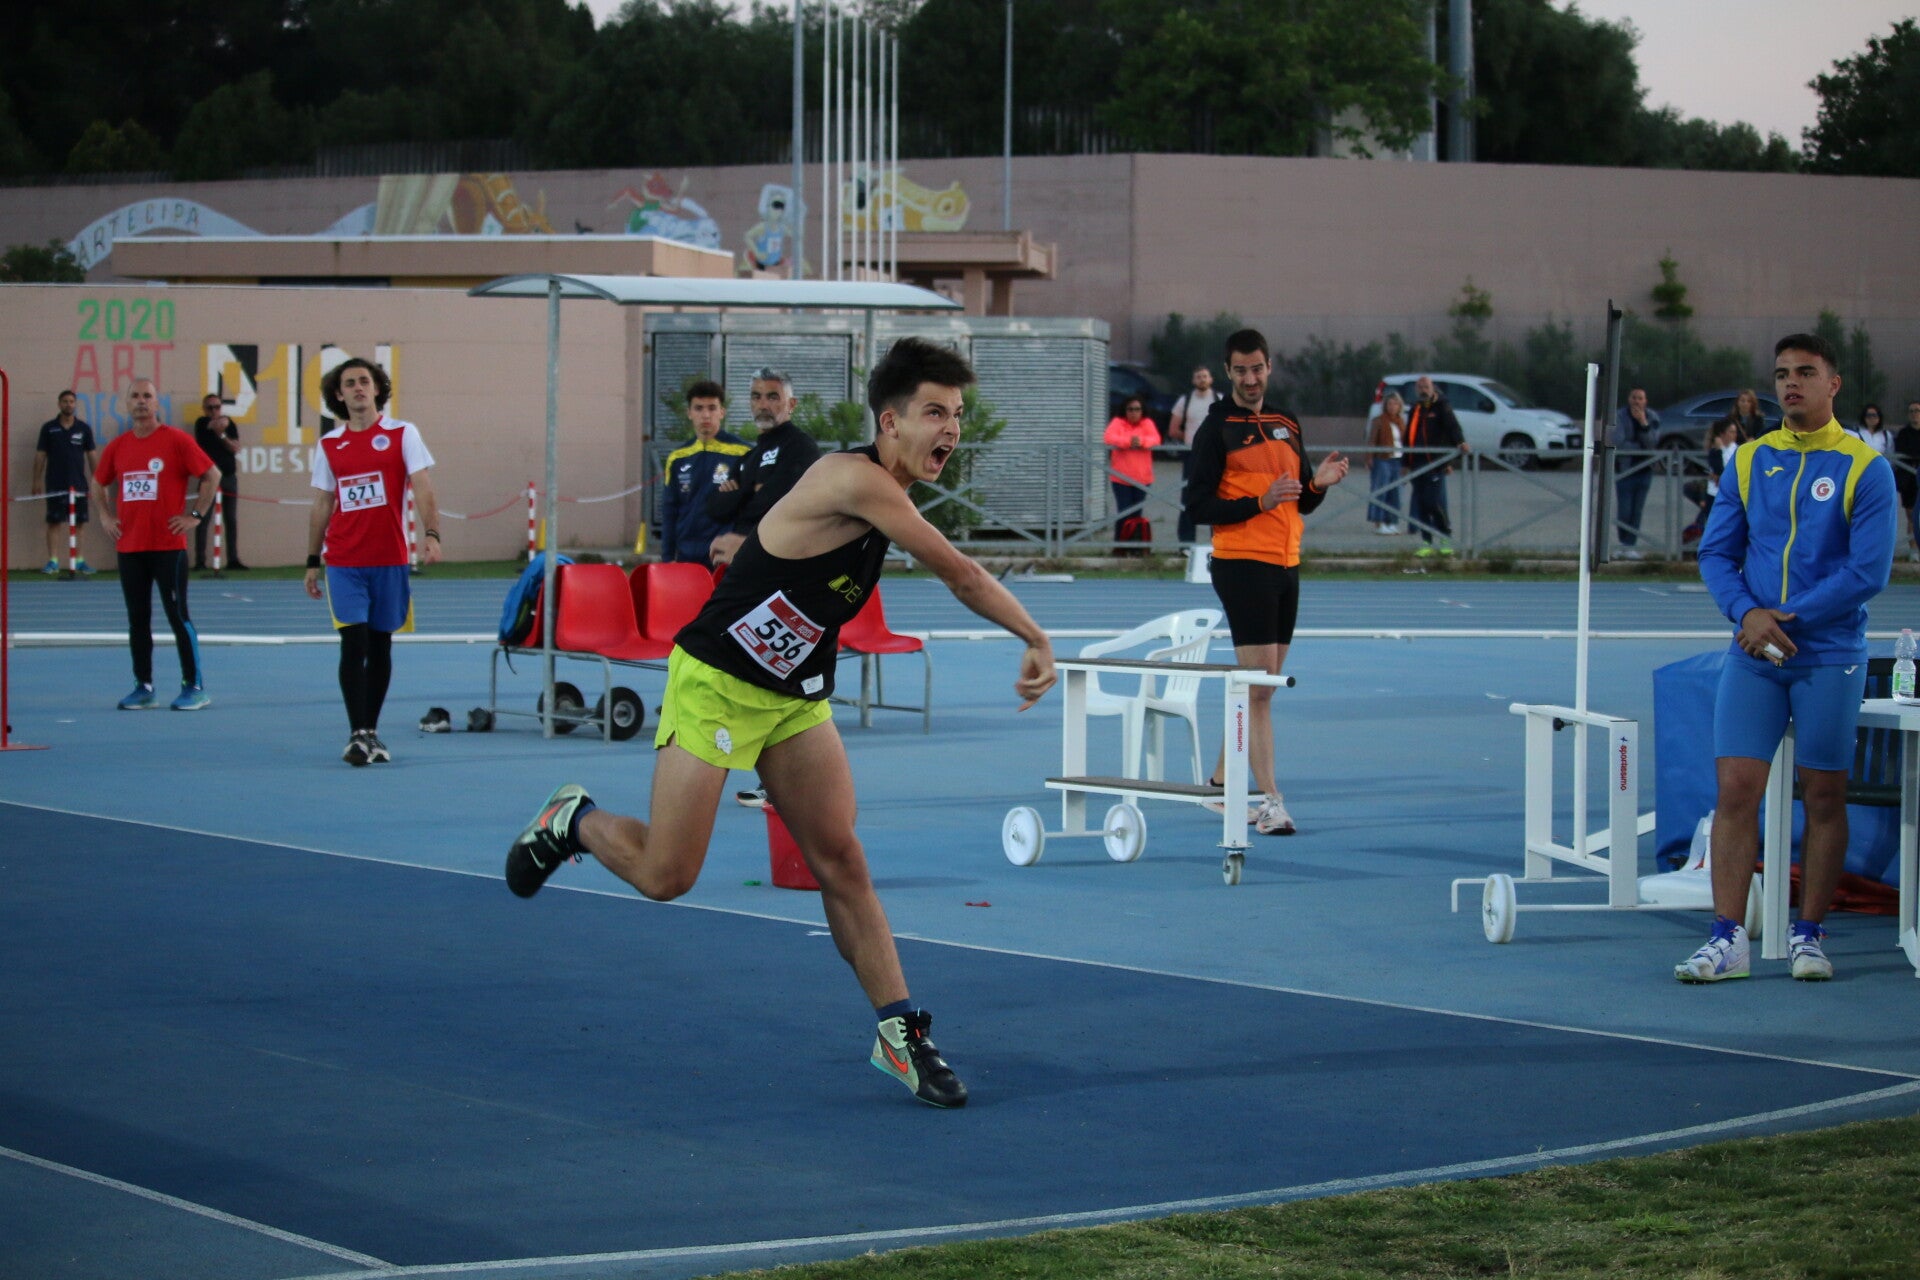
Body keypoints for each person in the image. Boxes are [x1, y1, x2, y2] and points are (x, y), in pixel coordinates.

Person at [503, 337, 1057, 1108]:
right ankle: (574, 820)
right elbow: (959, 573)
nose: (952, 429)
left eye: (957, 415)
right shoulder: (854, 480)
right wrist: (1035, 636)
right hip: (718, 684)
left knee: (841, 860)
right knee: (667, 875)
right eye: (935, 413)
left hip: (794, 696)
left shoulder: (889, 492)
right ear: (890, 421)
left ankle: (899, 1033)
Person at [1680, 333, 1896, 984]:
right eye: (1781, 374)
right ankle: (1727, 938)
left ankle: (1809, 934)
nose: (1790, 383)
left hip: (1828, 654)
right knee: (1735, 792)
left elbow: (1867, 572)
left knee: (1824, 795)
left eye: (1805, 372)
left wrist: (1783, 619)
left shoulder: (1866, 468)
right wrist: (1747, 615)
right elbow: (1716, 553)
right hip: (1754, 654)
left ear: (1834, 384)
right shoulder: (1750, 460)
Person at [1182, 328, 1349, 837]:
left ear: (1269, 367)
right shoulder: (1216, 428)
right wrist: (1260, 502)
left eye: (1257, 368)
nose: (1250, 379)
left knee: (1260, 690)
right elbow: (1197, 506)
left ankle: (1217, 784)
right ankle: (1270, 801)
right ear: (1227, 372)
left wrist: (1318, 484)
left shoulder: (1286, 422)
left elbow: (1299, 498)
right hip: (1241, 563)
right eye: (1240, 370)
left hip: (1285, 562)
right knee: (1258, 689)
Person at [303, 357, 441, 766]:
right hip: (344, 559)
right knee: (354, 642)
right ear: (339, 394)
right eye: (350, 383)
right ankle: (357, 733)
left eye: (365, 381)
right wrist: (312, 559)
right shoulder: (330, 444)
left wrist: (432, 533)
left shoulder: (402, 433)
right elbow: (322, 502)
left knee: (381, 645)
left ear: (377, 388)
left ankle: (371, 731)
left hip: (389, 559)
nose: (358, 388)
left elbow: (422, 486)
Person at [705, 367, 823, 808]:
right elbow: (717, 504)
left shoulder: (799, 448)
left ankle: (785, 782)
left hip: (781, 581)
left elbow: (782, 505)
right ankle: (774, 778)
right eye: (756, 396)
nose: (763, 404)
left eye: (773, 396)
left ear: (791, 404)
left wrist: (748, 505)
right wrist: (747, 491)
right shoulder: (753, 453)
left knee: (777, 680)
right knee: (751, 676)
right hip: (749, 580)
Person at [89, 378, 219, 710]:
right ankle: (144, 687)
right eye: (135, 396)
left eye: (147, 396)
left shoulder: (176, 440)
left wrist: (195, 515)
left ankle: (194, 686)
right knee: (138, 619)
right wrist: (105, 516)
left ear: (157, 403)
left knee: (178, 616)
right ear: (126, 403)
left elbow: (212, 475)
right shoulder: (118, 447)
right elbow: (97, 482)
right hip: (130, 548)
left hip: (168, 547)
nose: (141, 401)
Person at [659, 379, 749, 565]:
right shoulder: (677, 457)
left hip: (725, 555)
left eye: (712, 408)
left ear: (722, 412)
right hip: (686, 555)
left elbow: (753, 506)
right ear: (689, 413)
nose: (706, 415)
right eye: (699, 408)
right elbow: (670, 510)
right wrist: (667, 557)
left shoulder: (743, 453)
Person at [32, 390, 96, 574]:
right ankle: (53, 561)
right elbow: (40, 455)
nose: (69, 404)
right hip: (55, 484)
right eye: (65, 401)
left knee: (79, 524)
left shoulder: (83, 428)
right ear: (59, 404)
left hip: (78, 485)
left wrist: (98, 482)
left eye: (71, 401)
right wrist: (36, 480)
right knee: (54, 522)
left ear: (75, 404)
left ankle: (80, 561)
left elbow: (92, 456)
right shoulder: (48, 428)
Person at [1404, 376, 1464, 557]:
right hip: (1417, 463)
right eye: (1420, 387)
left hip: (1435, 463)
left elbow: (1453, 427)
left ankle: (1445, 538)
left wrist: (1460, 442)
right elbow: (1408, 436)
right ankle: (1426, 542)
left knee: (1433, 502)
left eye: (1426, 387)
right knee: (1421, 504)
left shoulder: (1442, 406)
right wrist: (1405, 462)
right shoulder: (1415, 408)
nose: (1423, 390)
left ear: (1432, 388)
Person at [192, 393, 245, 571]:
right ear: (204, 409)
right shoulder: (201, 424)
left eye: (217, 407)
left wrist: (222, 434)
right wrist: (219, 426)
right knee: (201, 517)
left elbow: (235, 447)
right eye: (210, 408)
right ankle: (200, 561)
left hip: (228, 477)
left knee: (231, 519)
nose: (214, 411)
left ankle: (233, 559)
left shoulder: (229, 424)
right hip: (208, 479)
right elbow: (210, 426)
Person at [1168, 365, 1220, 545]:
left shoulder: (1220, 400)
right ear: (1193, 380)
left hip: (1215, 456)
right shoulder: (1185, 401)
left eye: (1205, 376)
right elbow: (1173, 429)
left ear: (1211, 379)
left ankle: (1219, 544)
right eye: (1198, 377)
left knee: (1217, 498)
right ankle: (1186, 544)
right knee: (1189, 498)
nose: (1202, 379)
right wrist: (1193, 439)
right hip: (1192, 455)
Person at [1612, 387, 1661, 560]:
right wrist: (1641, 448)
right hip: (1625, 470)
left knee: (1636, 511)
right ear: (1629, 399)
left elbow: (1653, 442)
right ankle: (1622, 544)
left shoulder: (1652, 417)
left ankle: (1630, 546)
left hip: (1644, 470)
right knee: (1624, 510)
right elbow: (1619, 442)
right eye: (1634, 397)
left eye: (1640, 398)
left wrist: (1643, 423)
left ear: (1645, 401)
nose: (1637, 401)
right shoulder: (1619, 416)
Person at [1103, 394, 1161, 542]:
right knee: (1123, 512)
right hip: (1121, 478)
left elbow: (1156, 439)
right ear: (1125, 410)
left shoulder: (1147, 423)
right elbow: (1109, 437)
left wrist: (1141, 441)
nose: (1134, 412)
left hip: (1142, 478)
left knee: (1136, 514)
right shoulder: (1117, 422)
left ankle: (1136, 546)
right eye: (1130, 409)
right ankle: (1120, 546)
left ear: (1142, 410)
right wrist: (1128, 442)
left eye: (1137, 409)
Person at [1366, 390, 1406, 534]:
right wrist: (1369, 458)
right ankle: (1379, 522)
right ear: (1385, 405)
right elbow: (1371, 440)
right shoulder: (1378, 421)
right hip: (1382, 459)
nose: (1392, 407)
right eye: (1390, 403)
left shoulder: (1401, 421)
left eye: (1395, 404)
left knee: (1396, 493)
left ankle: (1392, 522)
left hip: (1398, 460)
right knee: (1380, 491)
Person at [1894, 399, 1920, 560]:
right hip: (1909, 480)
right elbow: (1903, 451)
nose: (1914, 414)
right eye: (1911, 411)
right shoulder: (1904, 434)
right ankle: (1914, 551)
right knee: (1912, 516)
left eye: (1917, 410)